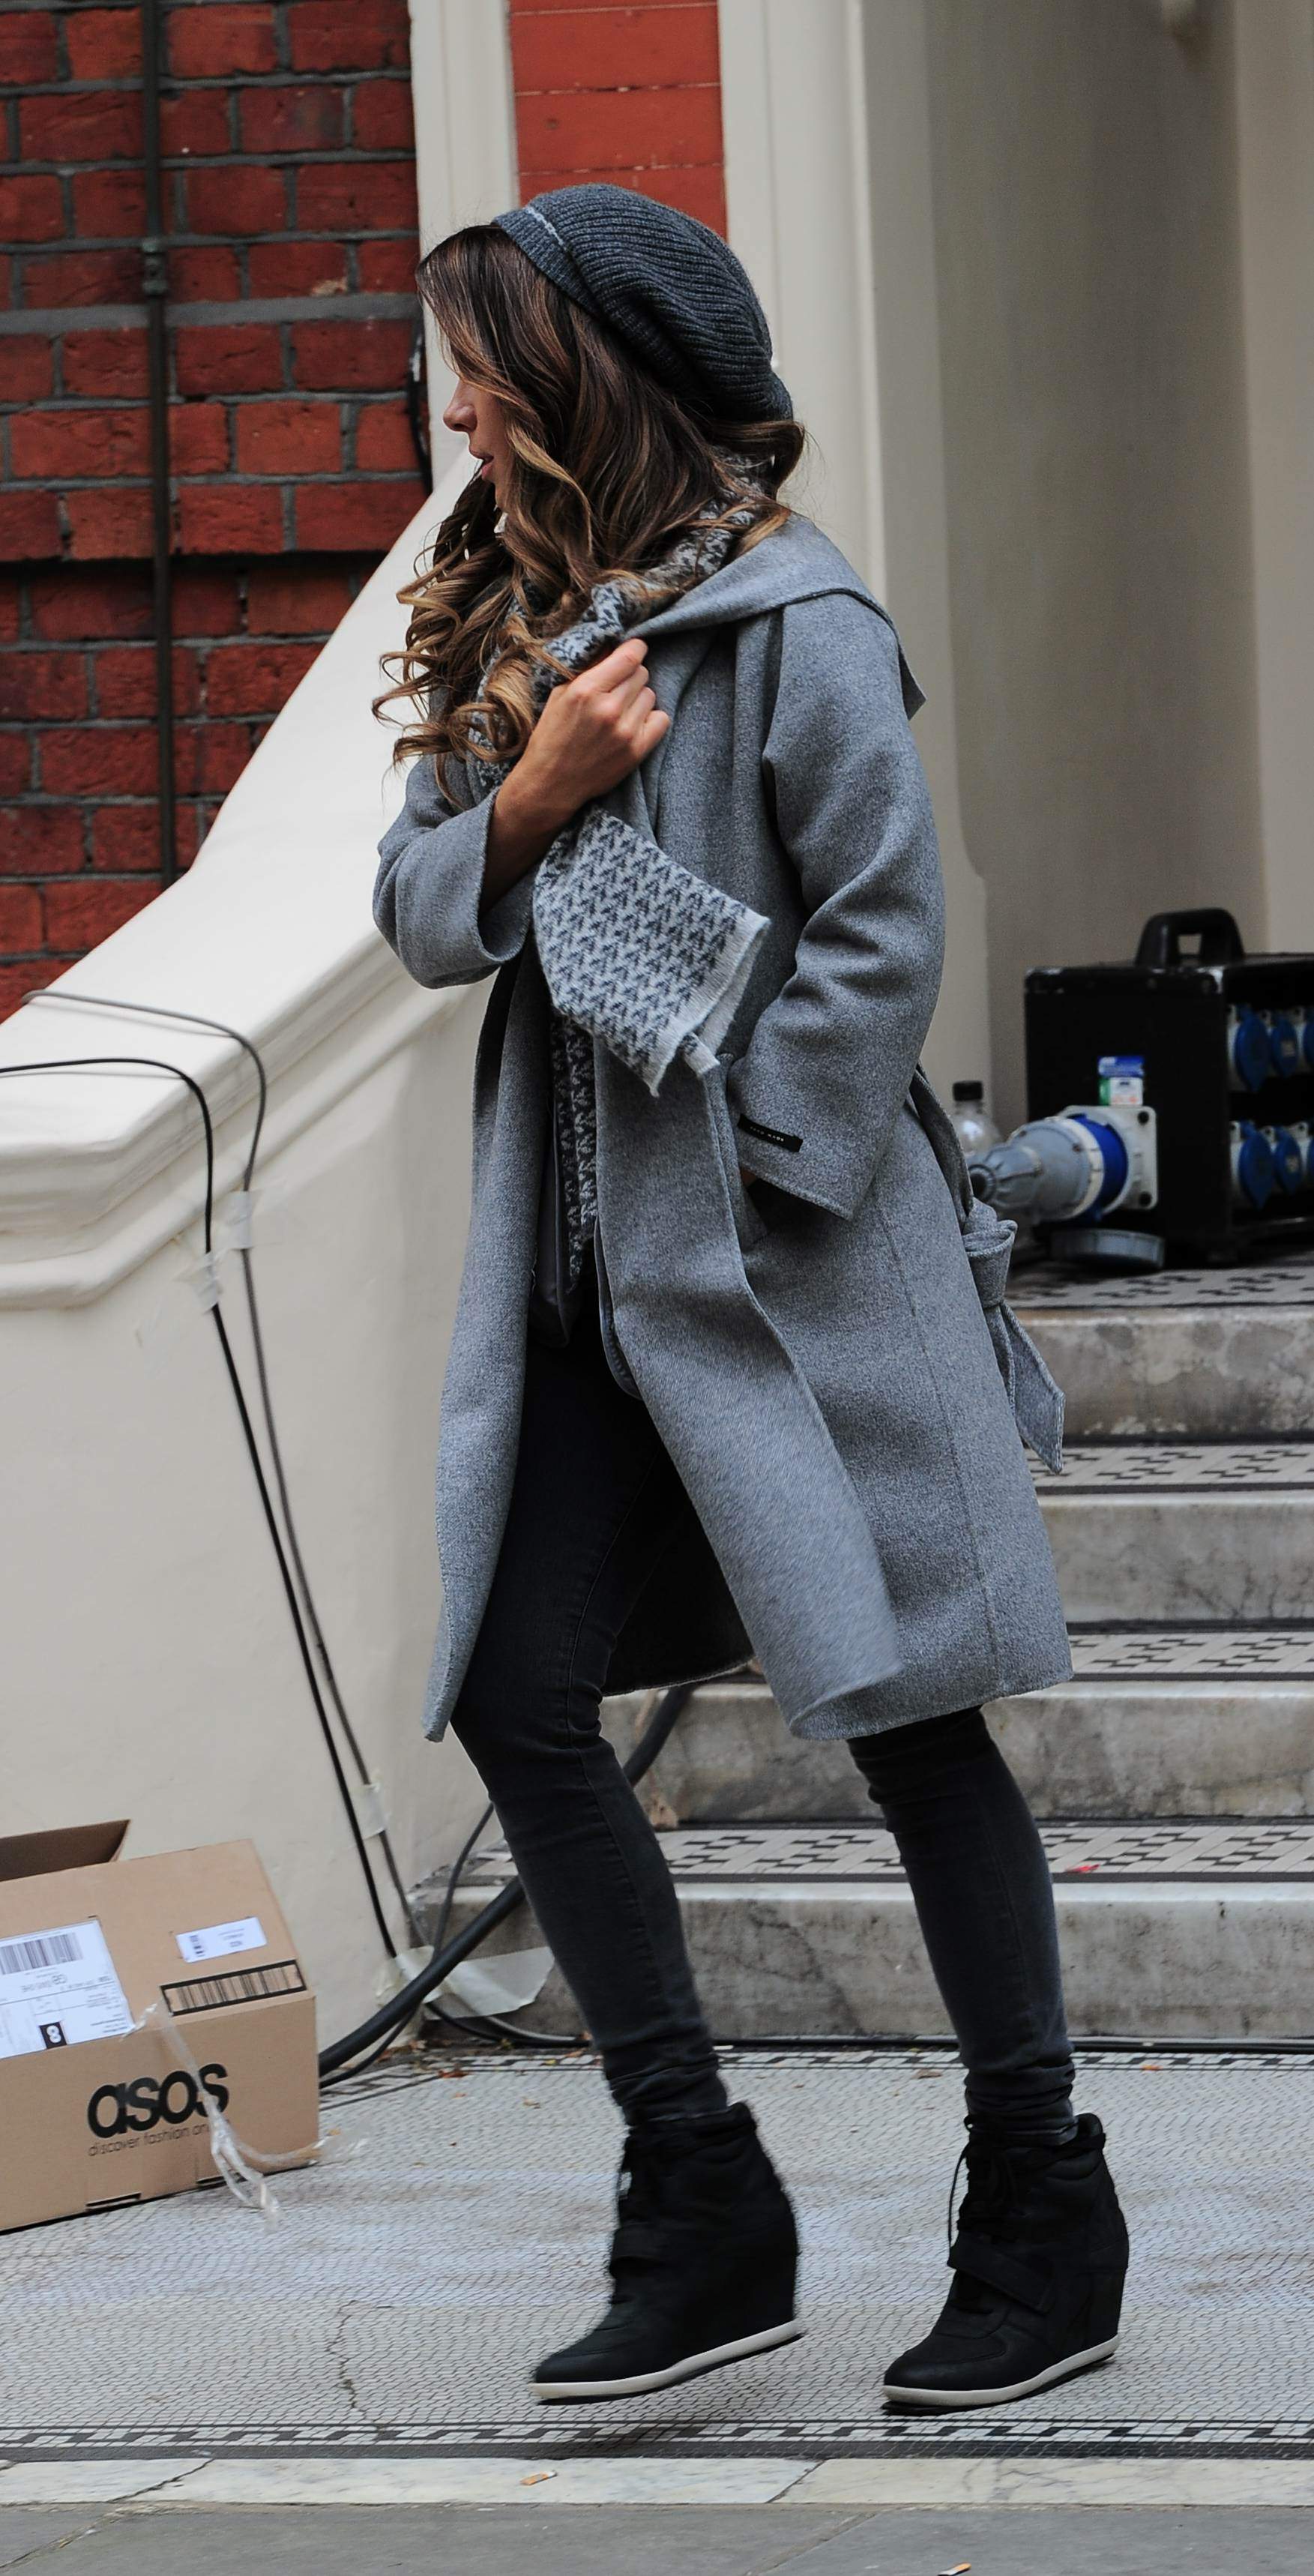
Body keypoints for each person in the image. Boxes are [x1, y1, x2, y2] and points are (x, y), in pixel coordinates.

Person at [374, 184, 1128, 2412]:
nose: (457, 407)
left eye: (486, 363)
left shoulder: (797, 619)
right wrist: (535, 794)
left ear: (591, 367)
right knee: (516, 1697)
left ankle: (1044, 2205)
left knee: (908, 1713)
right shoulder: (501, 620)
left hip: (789, 1278)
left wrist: (768, 1159)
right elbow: (418, 911)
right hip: (582, 1289)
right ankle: (703, 2195)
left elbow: (885, 928)